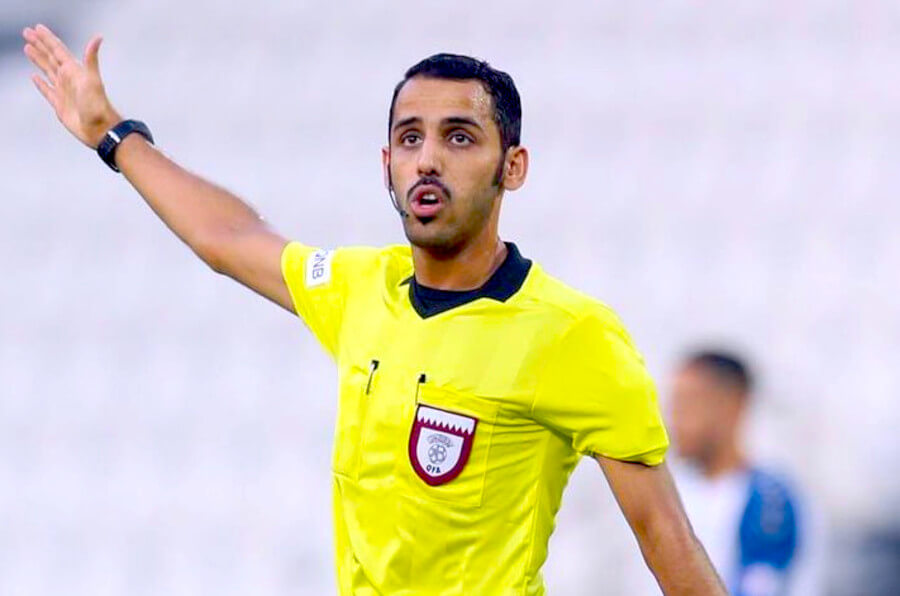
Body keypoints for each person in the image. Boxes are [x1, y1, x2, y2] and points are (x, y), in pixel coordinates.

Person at [22, 24, 726, 594]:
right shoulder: (363, 287)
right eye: (411, 138)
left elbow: (666, 541)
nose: (427, 160)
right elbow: (230, 238)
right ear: (386, 161)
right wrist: (114, 135)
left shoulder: (574, 335)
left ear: (512, 167)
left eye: (459, 137)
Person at [668, 350, 823, 596]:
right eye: (674, 405)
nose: (674, 420)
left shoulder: (770, 499)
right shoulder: (671, 492)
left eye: (689, 404)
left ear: (732, 405)